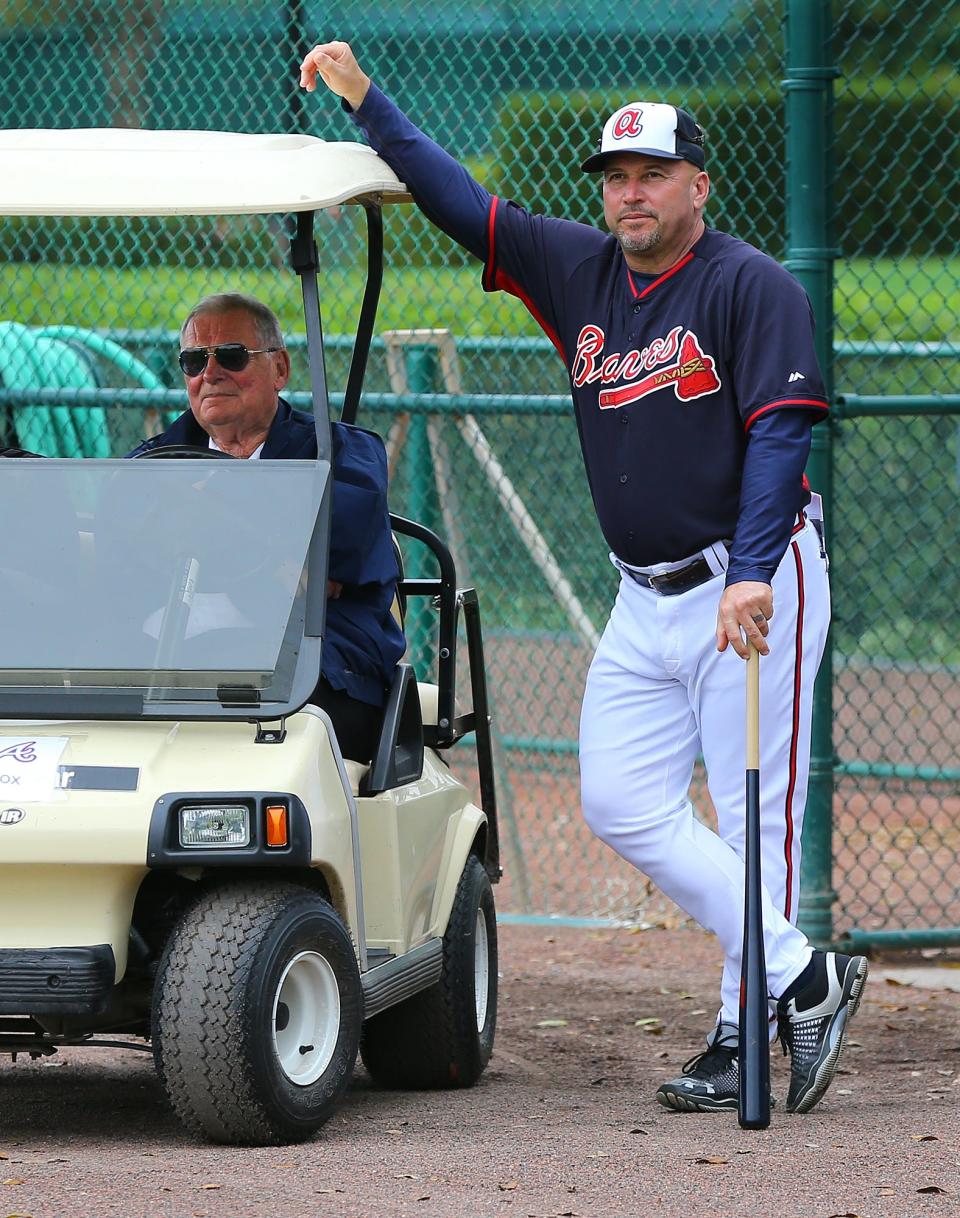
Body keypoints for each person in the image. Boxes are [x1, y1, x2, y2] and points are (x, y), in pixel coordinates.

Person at [298, 42, 868, 1115]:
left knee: (755, 823)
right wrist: (370, 102)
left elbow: (782, 441)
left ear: (700, 183)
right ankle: (806, 975)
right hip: (639, 593)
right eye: (614, 176)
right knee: (615, 797)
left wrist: (752, 575)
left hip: (755, 582)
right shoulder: (581, 270)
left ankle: (746, 1030)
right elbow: (458, 201)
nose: (630, 191)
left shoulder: (751, 287)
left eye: (652, 172)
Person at [128, 291, 405, 763]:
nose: (209, 373)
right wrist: (274, 557)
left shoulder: (344, 455)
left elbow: (322, 571)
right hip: (166, 655)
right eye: (194, 361)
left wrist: (206, 517)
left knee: (233, 677)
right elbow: (123, 567)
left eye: (230, 356)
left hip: (311, 661)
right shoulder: (152, 462)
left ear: (280, 368)